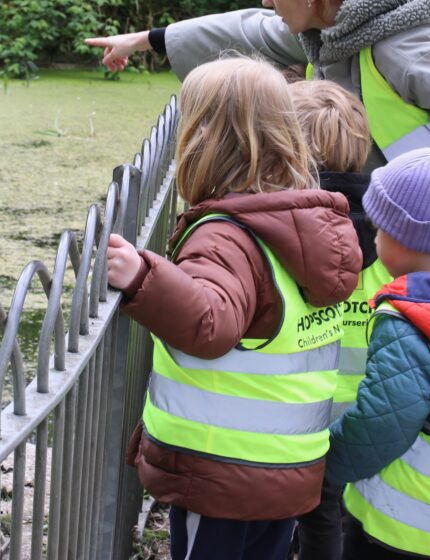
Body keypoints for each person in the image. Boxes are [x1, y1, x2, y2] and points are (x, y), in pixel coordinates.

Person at [85, 0, 430, 252]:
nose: (266, 1)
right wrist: (146, 40)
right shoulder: (334, 26)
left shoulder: (411, 51)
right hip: (386, 244)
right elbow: (248, 30)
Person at [105, 56, 362, 560]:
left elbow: (210, 324)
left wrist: (142, 277)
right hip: (287, 465)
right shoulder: (300, 223)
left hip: (223, 473)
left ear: (202, 142)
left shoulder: (227, 234)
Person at [326, 147, 430, 560]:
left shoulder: (408, 323)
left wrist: (323, 464)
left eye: (378, 230)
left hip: (397, 534)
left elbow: (379, 428)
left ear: (403, 239)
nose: (373, 239)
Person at [289, 80, 393, 560]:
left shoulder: (292, 230)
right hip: (369, 415)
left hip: (301, 412)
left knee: (311, 514)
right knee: (341, 514)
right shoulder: (395, 232)